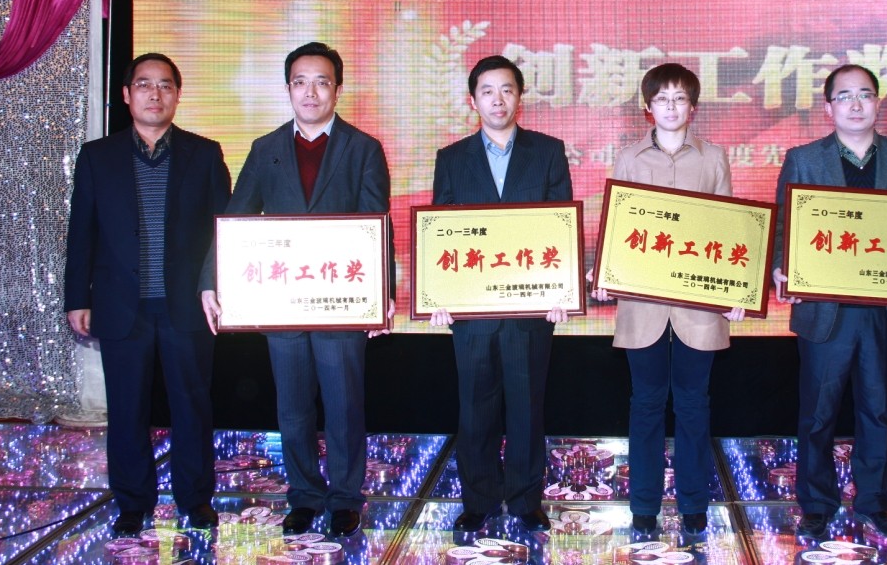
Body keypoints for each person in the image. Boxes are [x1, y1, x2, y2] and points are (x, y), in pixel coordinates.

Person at [199, 42, 393, 538]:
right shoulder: (265, 148)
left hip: (341, 303)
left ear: (337, 89)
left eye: (322, 82)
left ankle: (346, 498)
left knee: (344, 405)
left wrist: (382, 294)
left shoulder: (363, 148)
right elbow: (236, 218)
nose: (311, 92)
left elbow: (378, 222)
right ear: (288, 89)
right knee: (293, 408)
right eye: (301, 82)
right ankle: (304, 495)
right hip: (282, 302)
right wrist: (211, 279)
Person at [65, 53, 231, 535]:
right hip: (121, 305)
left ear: (177, 95)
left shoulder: (204, 154)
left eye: (164, 86)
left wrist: (220, 287)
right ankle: (133, 503)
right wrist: (77, 297)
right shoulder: (97, 156)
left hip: (187, 307)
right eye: (143, 85)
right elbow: (81, 232)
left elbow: (224, 231)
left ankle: (195, 500)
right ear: (126, 94)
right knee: (126, 409)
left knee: (192, 406)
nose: (154, 94)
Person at [771, 64, 887, 541]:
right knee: (818, 413)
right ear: (828, 107)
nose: (855, 104)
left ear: (878, 103)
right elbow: (784, 225)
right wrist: (780, 267)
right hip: (825, 310)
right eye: (844, 96)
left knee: (878, 411)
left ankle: (875, 503)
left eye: (865, 95)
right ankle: (817, 504)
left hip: (883, 308)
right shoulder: (803, 159)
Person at [592, 63, 743, 536]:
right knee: (646, 404)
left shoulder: (713, 157)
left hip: (699, 305)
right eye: (662, 99)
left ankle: (695, 503)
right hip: (644, 308)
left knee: (694, 405)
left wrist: (736, 289)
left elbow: (730, 228)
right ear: (648, 108)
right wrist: (605, 272)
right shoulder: (629, 158)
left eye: (680, 98)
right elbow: (619, 225)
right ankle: (644, 505)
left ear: (692, 107)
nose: (671, 107)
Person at [429, 55, 573, 534]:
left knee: (527, 408)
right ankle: (479, 500)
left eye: (507, 89)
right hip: (472, 312)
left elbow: (561, 226)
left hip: (530, 308)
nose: (498, 99)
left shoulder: (548, 152)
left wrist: (563, 289)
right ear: (473, 101)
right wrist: (437, 294)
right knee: (475, 410)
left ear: (519, 97)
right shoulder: (451, 159)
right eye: (487, 91)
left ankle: (527, 500)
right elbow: (440, 232)